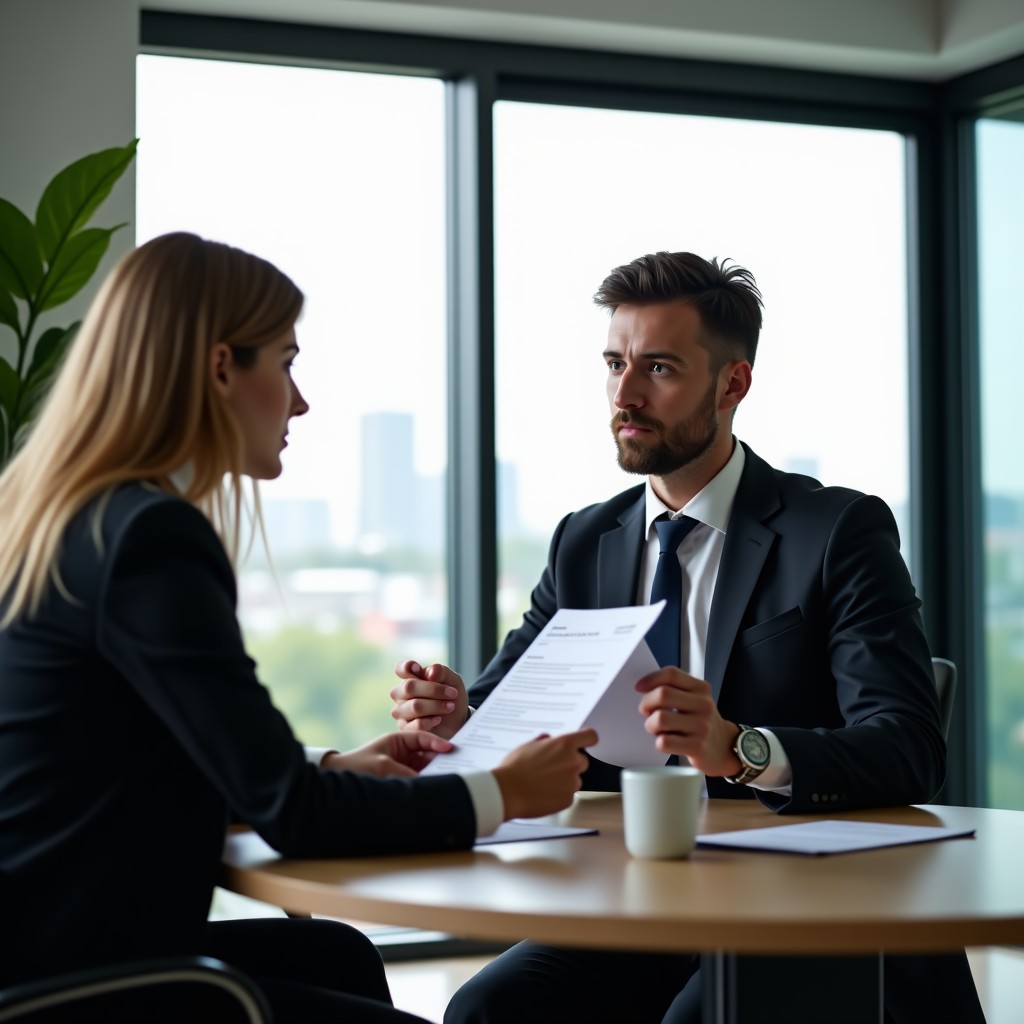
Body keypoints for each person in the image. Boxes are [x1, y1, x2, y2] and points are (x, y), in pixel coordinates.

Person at [0, 232, 597, 1024]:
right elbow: (297, 816)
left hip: (40, 946)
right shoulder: (149, 540)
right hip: (91, 980)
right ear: (221, 369)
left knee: (337, 954)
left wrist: (334, 764)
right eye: (285, 362)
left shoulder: (63, 518)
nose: (300, 398)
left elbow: (135, 759)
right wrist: (502, 792)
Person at [389, 251, 986, 1024]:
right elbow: (508, 704)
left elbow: (909, 747)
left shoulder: (836, 531)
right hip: (631, 901)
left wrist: (742, 746)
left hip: (808, 908)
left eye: (660, 369)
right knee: (489, 1011)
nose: (625, 394)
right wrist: (453, 716)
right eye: (614, 364)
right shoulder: (586, 541)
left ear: (732, 384)